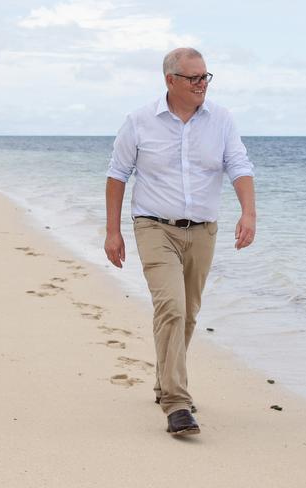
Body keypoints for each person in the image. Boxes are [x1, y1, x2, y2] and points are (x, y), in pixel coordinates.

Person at [104, 47, 256, 436]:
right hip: (154, 226)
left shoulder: (221, 119)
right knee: (170, 307)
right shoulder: (139, 121)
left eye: (206, 76)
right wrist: (112, 231)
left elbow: (238, 164)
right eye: (194, 78)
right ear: (170, 80)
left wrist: (248, 212)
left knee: (187, 314)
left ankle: (163, 383)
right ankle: (176, 403)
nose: (202, 84)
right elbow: (118, 174)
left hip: (203, 231)